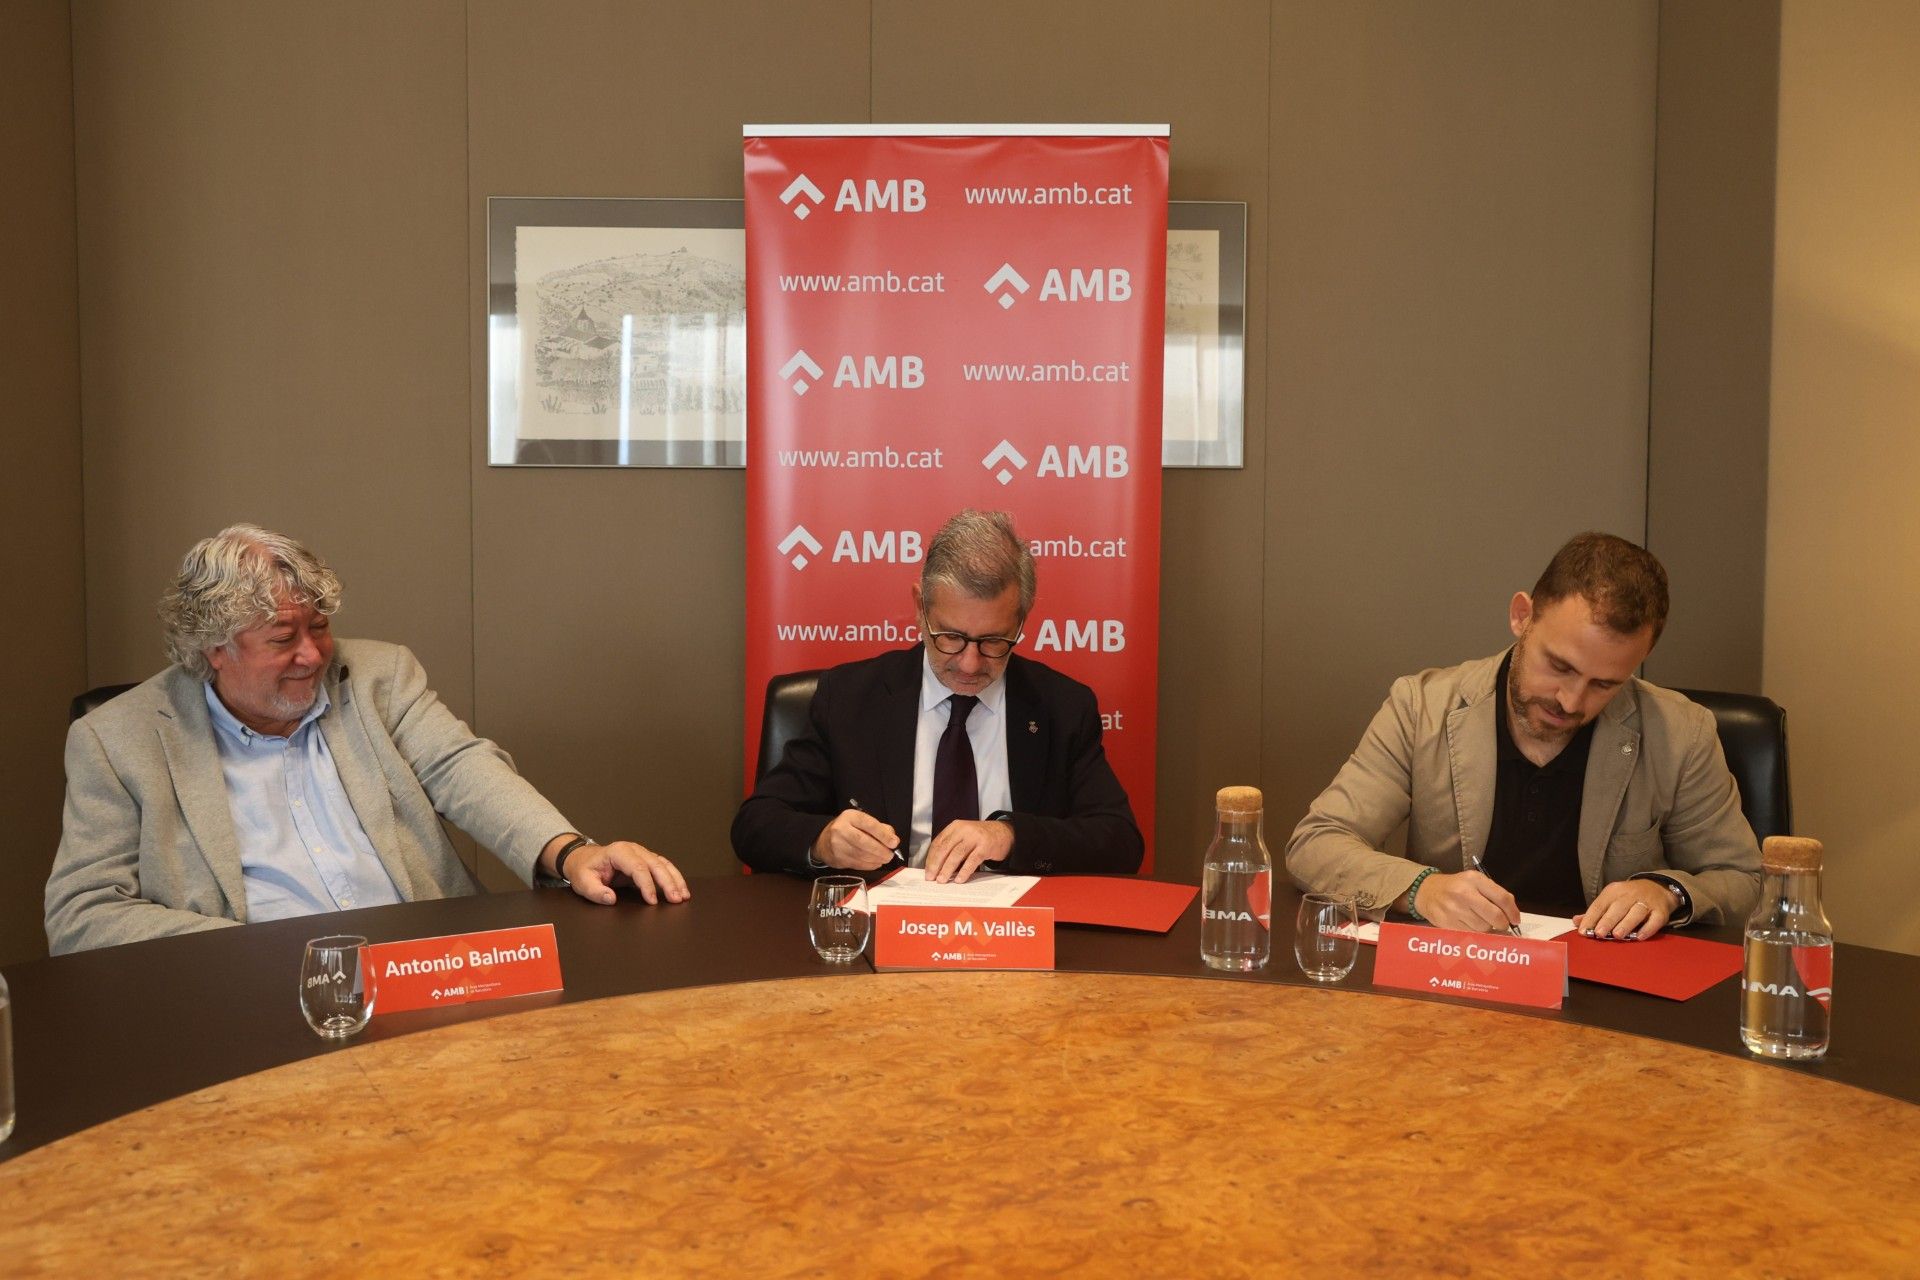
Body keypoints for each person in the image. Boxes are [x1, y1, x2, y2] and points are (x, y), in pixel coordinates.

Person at [46, 524, 687, 955]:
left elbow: (463, 768)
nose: (311, 655)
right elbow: (83, 913)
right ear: (213, 648)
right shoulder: (115, 738)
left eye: (319, 628)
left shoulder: (380, 675)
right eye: (281, 638)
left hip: (427, 970)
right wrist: (245, 954)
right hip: (255, 997)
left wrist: (570, 852)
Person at [1286, 532, 1761, 940]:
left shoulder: (1682, 734)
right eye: (1559, 667)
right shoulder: (1422, 708)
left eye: (1604, 684)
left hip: (1603, 996)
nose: (1572, 702)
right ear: (1522, 617)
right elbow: (1317, 843)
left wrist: (1666, 891)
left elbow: (1743, 879)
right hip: (1454, 980)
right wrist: (1422, 889)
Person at [732, 509, 1143, 883]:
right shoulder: (850, 698)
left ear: (1022, 618)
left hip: (1015, 937)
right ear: (919, 607)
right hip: (880, 933)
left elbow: (1120, 841)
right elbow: (755, 825)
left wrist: (1010, 836)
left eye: (994, 641)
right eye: (950, 637)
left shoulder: (1061, 707)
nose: (968, 664)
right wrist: (823, 841)